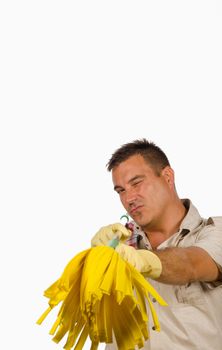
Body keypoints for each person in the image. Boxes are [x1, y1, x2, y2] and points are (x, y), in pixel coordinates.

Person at [91, 139, 222, 350]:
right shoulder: (117, 245)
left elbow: (191, 264)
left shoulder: (215, 233)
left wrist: (141, 260)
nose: (129, 198)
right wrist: (93, 266)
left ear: (168, 177)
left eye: (136, 183)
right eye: (120, 190)